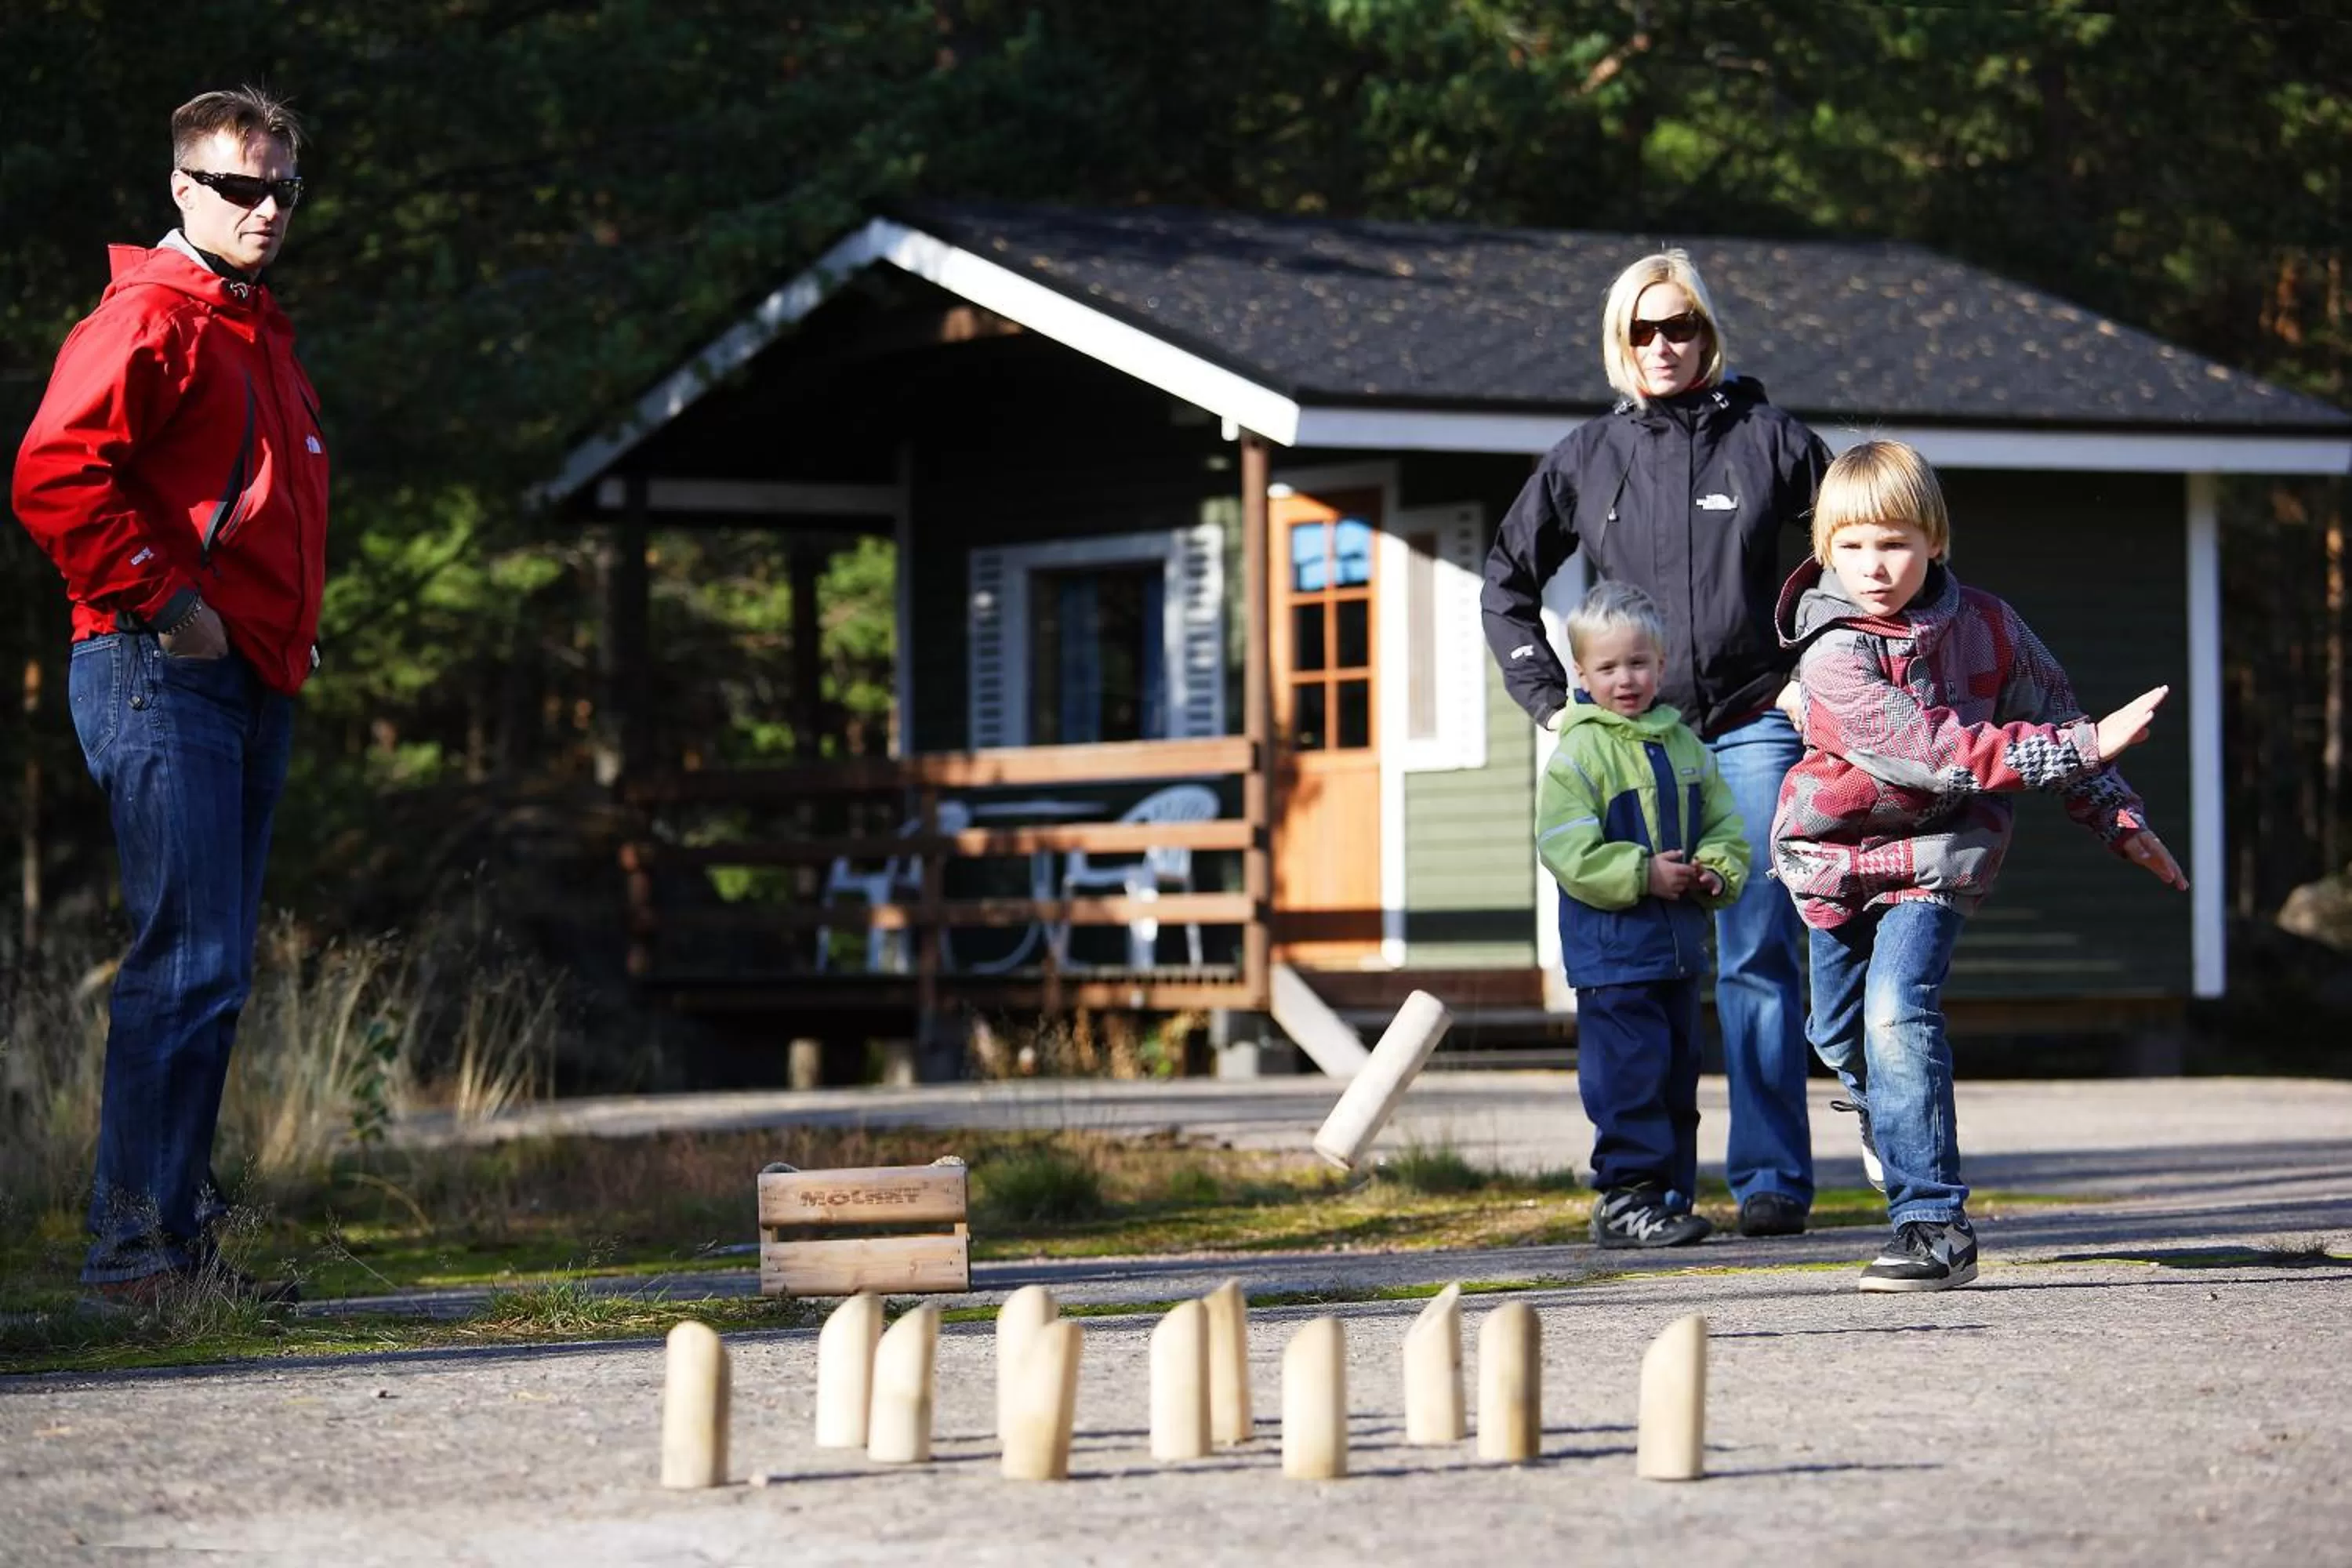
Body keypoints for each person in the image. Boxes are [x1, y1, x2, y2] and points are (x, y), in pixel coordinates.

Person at [11, 86, 328, 1303]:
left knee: (214, 971)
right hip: (160, 672)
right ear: (185, 190)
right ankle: (131, 1258)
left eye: (282, 190)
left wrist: (279, 632)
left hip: (247, 676)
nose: (265, 211)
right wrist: (165, 604)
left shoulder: (254, 329)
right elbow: (52, 477)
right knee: (182, 963)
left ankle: (179, 1254)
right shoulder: (154, 314)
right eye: (241, 188)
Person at [1772, 440, 2187, 1290]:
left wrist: (2114, 814)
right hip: (1832, 861)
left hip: (1939, 856)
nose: (1873, 565)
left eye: (1892, 543)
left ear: (1934, 540)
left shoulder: (1991, 625)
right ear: (1824, 551)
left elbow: (2054, 712)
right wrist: (2082, 745)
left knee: (1897, 1012)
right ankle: (1888, 1110)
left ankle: (1931, 1225)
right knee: (1838, 1032)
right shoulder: (1830, 651)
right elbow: (1930, 751)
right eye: (1850, 547)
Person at [1483, 249, 1831, 1237]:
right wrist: (1555, 704)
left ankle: (1769, 1179)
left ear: (1708, 331)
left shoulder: (1775, 441)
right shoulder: (1586, 458)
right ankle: (1652, 1189)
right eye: (1643, 330)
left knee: (1756, 945)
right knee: (1648, 963)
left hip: (1754, 725)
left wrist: (1816, 677)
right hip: (1634, 747)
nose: (1663, 345)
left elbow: (1860, 549)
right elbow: (1506, 580)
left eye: (1679, 325)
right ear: (1619, 343)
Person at [1537, 581, 1751, 1247]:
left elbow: (1725, 824)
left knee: (1675, 1074)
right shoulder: (1579, 754)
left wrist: (1718, 868)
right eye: (1607, 668)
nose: (1624, 679)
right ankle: (1625, 1199)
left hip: (1679, 951)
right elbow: (1566, 849)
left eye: (1637, 663)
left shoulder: (1686, 746)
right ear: (1582, 673)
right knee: (1627, 1079)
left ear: (1661, 665)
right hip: (1613, 958)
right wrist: (1642, 874)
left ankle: (1668, 1195)